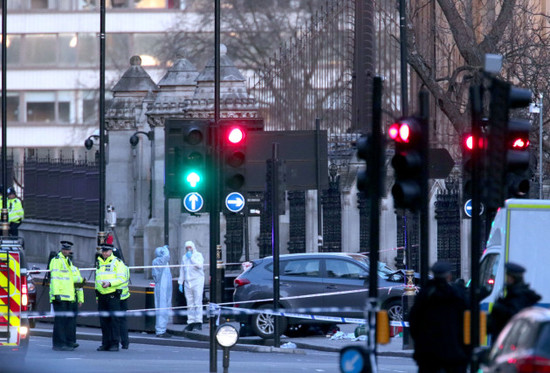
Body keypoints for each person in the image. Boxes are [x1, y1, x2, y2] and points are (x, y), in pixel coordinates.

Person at [409, 261, 469, 373]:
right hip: (454, 352)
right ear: (449, 276)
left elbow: (414, 322)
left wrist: (420, 343)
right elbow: (467, 320)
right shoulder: (458, 295)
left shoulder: (425, 295)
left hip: (429, 353)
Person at [488, 262, 541, 341]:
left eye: (508, 277)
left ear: (513, 278)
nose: (506, 279)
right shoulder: (515, 293)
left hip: (510, 339)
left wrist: (500, 309)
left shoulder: (518, 295)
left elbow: (515, 316)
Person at [49, 240, 85, 351]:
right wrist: (56, 294)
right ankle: (59, 344)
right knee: (60, 322)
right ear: (62, 249)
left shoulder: (68, 262)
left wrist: (81, 286)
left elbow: (71, 280)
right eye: (65, 249)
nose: (66, 251)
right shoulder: (56, 260)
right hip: (60, 296)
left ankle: (66, 342)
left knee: (67, 322)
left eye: (68, 249)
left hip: (69, 297)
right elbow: (55, 278)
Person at [95, 243, 126, 352]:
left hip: (113, 295)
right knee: (104, 322)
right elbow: (97, 279)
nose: (104, 253)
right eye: (103, 251)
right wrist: (97, 294)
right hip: (102, 295)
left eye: (106, 251)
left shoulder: (117, 262)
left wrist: (110, 283)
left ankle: (114, 344)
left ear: (111, 251)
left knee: (114, 321)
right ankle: (105, 343)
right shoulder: (99, 262)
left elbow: (122, 279)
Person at [178, 240, 205, 332]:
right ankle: (191, 322)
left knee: (197, 302)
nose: (189, 249)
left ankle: (198, 322)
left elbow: (199, 266)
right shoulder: (184, 257)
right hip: (187, 283)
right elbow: (182, 270)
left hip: (197, 281)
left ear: (193, 247)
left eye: (190, 247)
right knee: (189, 303)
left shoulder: (198, 255)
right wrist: (180, 282)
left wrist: (192, 258)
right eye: (187, 248)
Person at [152, 245, 173, 338]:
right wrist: (165, 249)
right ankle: (160, 330)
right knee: (162, 308)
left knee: (165, 308)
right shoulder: (158, 261)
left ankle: (162, 328)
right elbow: (166, 256)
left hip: (165, 287)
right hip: (161, 288)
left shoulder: (164, 262)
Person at [67, 248, 85, 349]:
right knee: (68, 321)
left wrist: (80, 299)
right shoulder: (64, 268)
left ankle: (72, 341)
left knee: (72, 322)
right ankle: (68, 341)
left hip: (74, 297)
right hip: (66, 297)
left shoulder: (75, 269)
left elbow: (79, 286)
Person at [113, 247, 130, 349]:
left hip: (116, 296)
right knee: (123, 321)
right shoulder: (125, 266)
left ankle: (116, 340)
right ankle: (125, 342)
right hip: (125, 296)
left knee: (115, 320)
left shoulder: (115, 266)